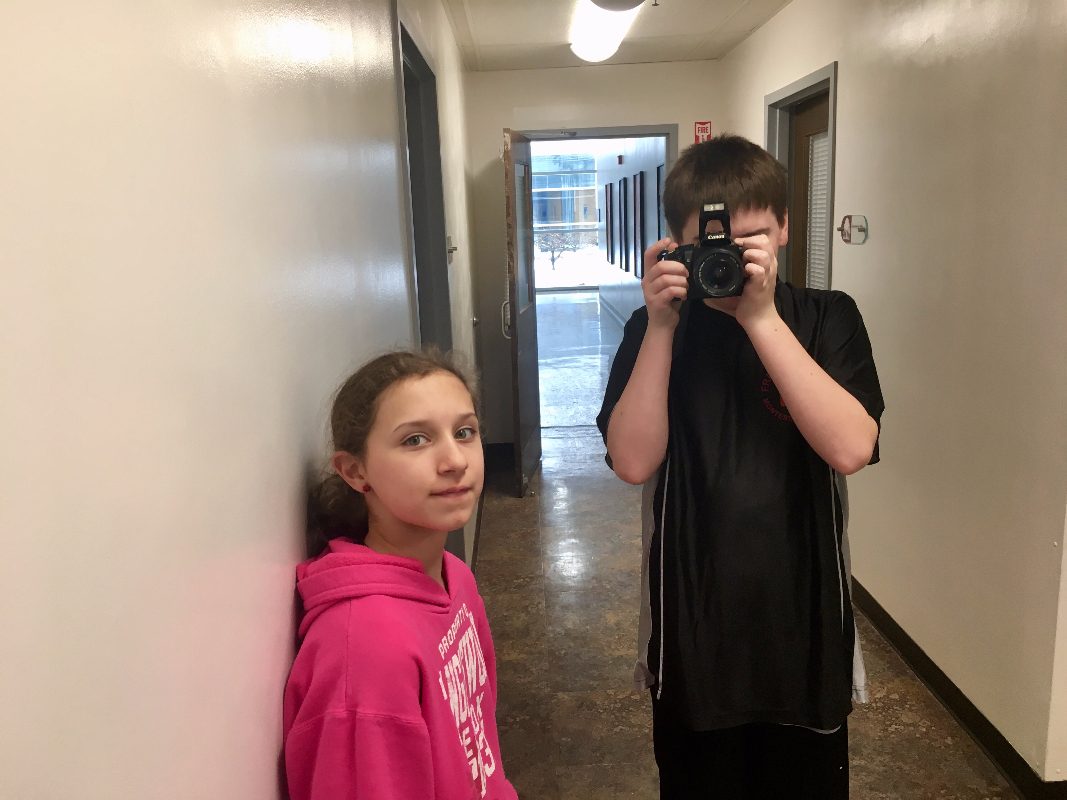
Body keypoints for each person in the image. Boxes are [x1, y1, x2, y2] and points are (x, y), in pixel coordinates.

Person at [597, 134, 884, 799]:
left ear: (783, 228)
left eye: (750, 240)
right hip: (691, 627)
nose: (730, 260)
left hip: (805, 625)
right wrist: (661, 327)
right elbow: (632, 461)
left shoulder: (826, 317)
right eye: (711, 246)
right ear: (677, 247)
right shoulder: (653, 329)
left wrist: (760, 318)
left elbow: (850, 449)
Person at [283, 350, 517, 800]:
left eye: (464, 432)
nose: (455, 460)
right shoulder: (364, 651)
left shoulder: (454, 577)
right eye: (415, 440)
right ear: (356, 472)